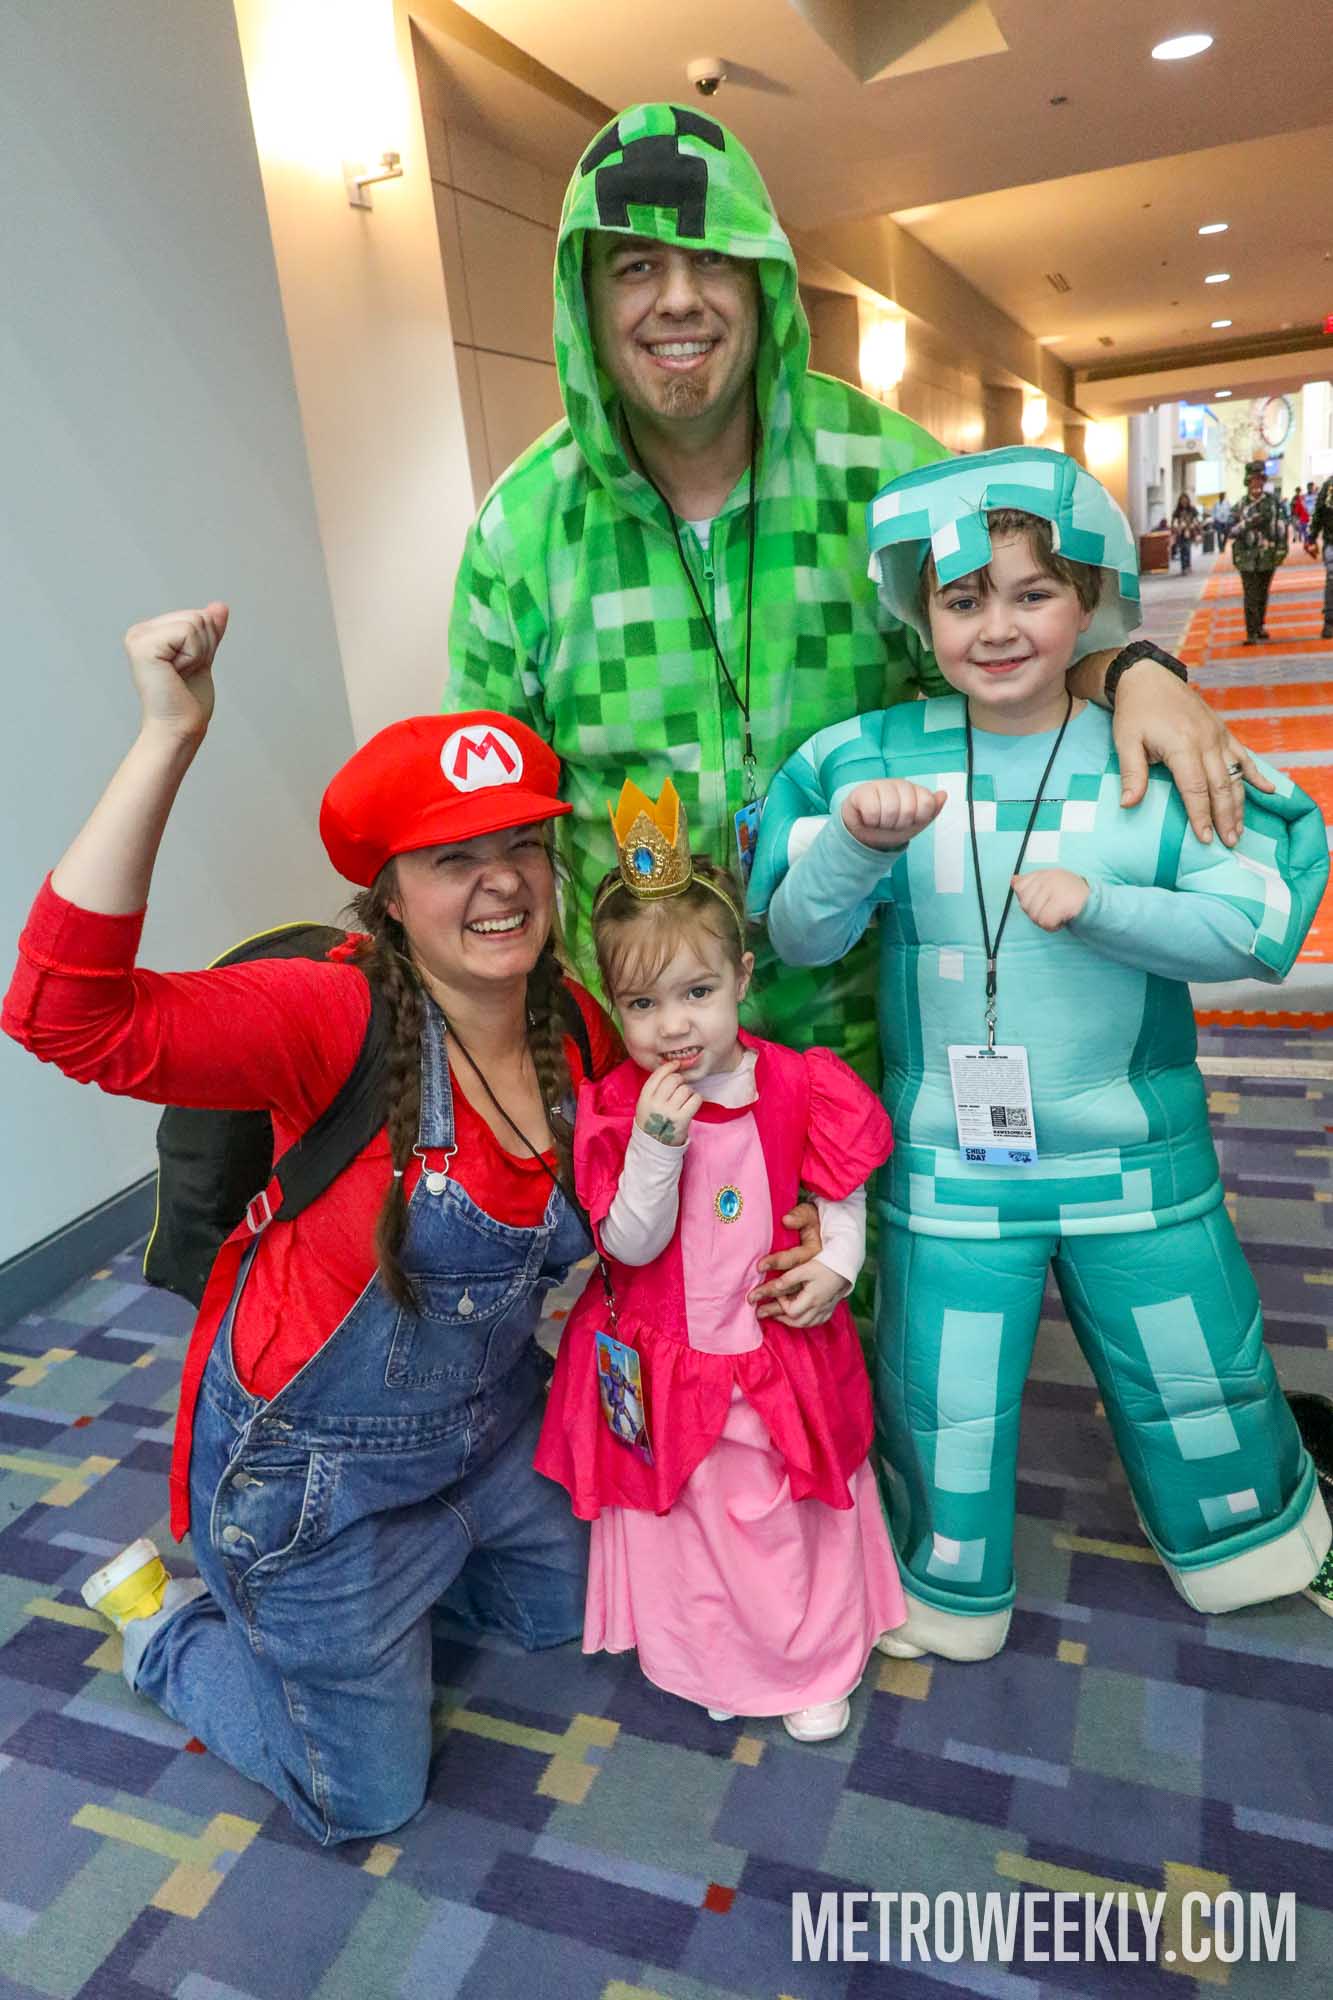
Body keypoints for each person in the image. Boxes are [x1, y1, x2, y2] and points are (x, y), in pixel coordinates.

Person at [446, 101, 1261, 1087]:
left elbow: (1021, 650)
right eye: (635, 267)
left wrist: (1135, 673)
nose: (678, 299)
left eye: (712, 259)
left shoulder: (889, 476)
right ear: (582, 299)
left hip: (884, 1042)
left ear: (764, 282)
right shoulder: (524, 527)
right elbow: (484, 815)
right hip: (644, 1068)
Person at [3, 607, 631, 1842]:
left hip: (489, 1426)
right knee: (366, 1801)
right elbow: (62, 1012)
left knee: (573, 1612)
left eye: (523, 844)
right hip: (315, 1482)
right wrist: (168, 733)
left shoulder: (573, 1022)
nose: (503, 879)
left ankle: (385, 1612)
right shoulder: (330, 1015)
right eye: (452, 858)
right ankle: (169, 1624)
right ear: (387, 896)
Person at [749, 448, 1332, 1661]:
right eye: (964, 598)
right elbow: (796, 935)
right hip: (951, 1168)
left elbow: (1260, 927)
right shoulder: (869, 760)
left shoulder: (1144, 751)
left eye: (1032, 592)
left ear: (1091, 597)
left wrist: (1103, 906)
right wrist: (853, 847)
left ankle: (1247, 1537)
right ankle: (945, 1582)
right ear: (919, 610)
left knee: (1196, 1371)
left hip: (1139, 1163)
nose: (998, 626)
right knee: (941, 1396)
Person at [535, 778, 902, 1737]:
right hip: (667, 1359)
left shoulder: (800, 1082)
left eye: (697, 993)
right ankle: (714, 1661)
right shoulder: (620, 1107)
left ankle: (810, 1660)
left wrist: (837, 1266)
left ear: (741, 977)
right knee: (692, 1514)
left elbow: (839, 1190)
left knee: (787, 1505)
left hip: (777, 1346)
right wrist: (656, 1146)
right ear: (614, 1005)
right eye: (642, 1003)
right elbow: (627, 1244)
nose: (674, 1026)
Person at [1232, 459, 1289, 644]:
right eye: (1253, 480)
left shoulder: (1273, 503)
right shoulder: (1240, 505)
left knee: (1262, 593)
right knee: (1250, 594)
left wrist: (1281, 550)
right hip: (1246, 557)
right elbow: (1231, 530)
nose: (1256, 483)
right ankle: (1251, 632)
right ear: (1247, 482)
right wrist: (1248, 523)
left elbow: (1282, 527)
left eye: (1260, 479)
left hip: (1267, 556)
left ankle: (1259, 626)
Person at [1305, 469, 1333, 640]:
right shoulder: (1330, 486)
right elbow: (1319, 513)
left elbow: (1318, 513)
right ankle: (1329, 622)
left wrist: (1312, 537)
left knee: (1332, 581)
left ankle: (1329, 624)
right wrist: (1311, 538)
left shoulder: (1329, 485)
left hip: (1331, 541)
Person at [1172, 492, 1200, 573]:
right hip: (1180, 532)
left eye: (1185, 500)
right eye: (1182, 500)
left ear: (1188, 501)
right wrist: (1176, 527)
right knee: (1182, 549)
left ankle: (1187, 565)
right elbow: (1174, 521)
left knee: (1187, 548)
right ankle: (1183, 567)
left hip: (1189, 531)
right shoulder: (1177, 511)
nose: (1184, 502)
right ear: (1180, 501)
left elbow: (1196, 519)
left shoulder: (1192, 509)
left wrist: (1194, 525)